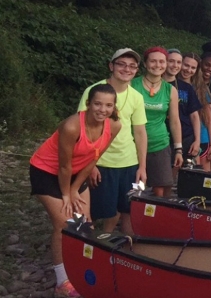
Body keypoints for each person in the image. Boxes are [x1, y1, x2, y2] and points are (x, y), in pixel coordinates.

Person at [32, 84, 122, 297]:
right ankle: (62, 282)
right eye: (98, 103)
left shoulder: (114, 126)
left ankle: (81, 269)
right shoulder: (72, 126)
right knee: (65, 223)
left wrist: (75, 189)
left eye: (108, 105)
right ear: (89, 104)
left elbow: (94, 158)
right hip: (47, 171)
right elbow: (64, 166)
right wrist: (67, 194)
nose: (103, 109)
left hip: (77, 172)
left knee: (84, 222)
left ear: (114, 107)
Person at [78, 48, 147, 235]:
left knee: (123, 206)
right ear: (111, 66)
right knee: (90, 207)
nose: (127, 69)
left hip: (128, 162)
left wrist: (142, 166)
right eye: (121, 64)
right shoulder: (94, 91)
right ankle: (84, 241)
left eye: (132, 66)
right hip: (100, 161)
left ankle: (105, 237)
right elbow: (81, 128)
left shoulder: (137, 97)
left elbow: (140, 132)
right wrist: (89, 164)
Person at [131, 47, 182, 197]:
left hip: (159, 143)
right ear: (145, 64)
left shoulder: (170, 90)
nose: (157, 65)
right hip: (133, 144)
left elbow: (174, 121)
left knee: (161, 190)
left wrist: (178, 149)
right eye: (153, 61)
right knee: (135, 190)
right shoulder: (133, 85)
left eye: (162, 61)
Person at [163, 49, 202, 171]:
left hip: (185, 136)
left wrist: (197, 140)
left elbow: (195, 116)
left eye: (178, 62)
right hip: (161, 135)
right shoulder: (155, 85)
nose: (175, 65)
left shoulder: (187, 88)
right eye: (171, 61)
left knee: (175, 176)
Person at [179, 52, 211, 170]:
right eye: (186, 65)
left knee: (202, 176)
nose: (188, 70)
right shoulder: (170, 84)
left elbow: (209, 119)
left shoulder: (200, 88)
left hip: (201, 137)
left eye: (193, 67)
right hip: (178, 136)